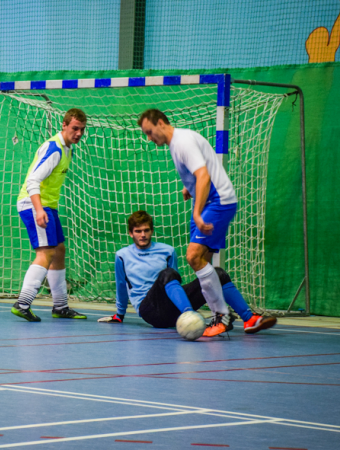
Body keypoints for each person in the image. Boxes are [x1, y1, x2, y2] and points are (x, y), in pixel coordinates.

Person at [138, 108, 240, 336]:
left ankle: (221, 315)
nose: (149, 138)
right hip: (217, 200)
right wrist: (190, 187)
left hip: (217, 201)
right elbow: (199, 172)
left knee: (193, 256)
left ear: (161, 123)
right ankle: (227, 316)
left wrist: (196, 213)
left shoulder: (182, 142)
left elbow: (203, 175)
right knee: (203, 260)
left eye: (149, 131)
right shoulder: (179, 143)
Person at [98, 211, 276, 337]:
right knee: (167, 274)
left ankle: (249, 319)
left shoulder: (167, 251)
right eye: (138, 231)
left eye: (146, 230)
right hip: (150, 309)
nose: (143, 235)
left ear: (152, 231)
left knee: (217, 274)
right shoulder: (122, 255)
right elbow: (121, 285)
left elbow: (175, 280)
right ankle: (190, 316)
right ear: (131, 233)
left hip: (174, 309)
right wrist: (119, 314)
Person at [12, 108, 88, 322]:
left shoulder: (68, 148)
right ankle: (23, 303)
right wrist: (38, 209)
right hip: (34, 203)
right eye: (75, 128)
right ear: (64, 125)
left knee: (59, 250)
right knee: (45, 253)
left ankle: (60, 306)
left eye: (82, 129)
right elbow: (33, 181)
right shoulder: (54, 148)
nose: (79, 133)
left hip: (48, 205)